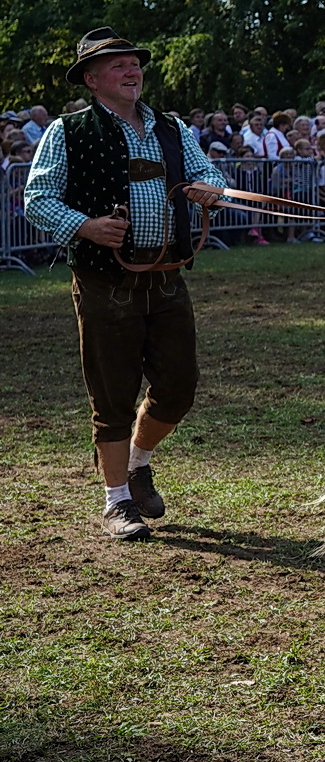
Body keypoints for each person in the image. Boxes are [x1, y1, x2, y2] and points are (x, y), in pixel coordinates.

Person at [22, 30, 227, 542]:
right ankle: (117, 502)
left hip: (167, 279)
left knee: (178, 389)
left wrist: (211, 190)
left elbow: (209, 174)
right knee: (112, 395)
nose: (132, 71)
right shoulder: (68, 132)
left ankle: (139, 464)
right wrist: (86, 226)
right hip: (103, 282)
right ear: (92, 79)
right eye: (118, 66)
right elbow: (37, 197)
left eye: (135, 63)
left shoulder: (173, 128)